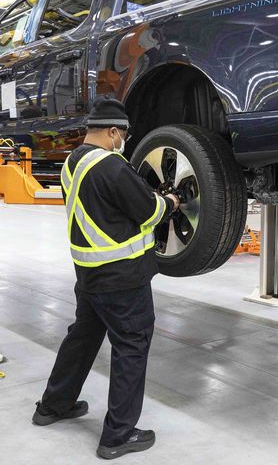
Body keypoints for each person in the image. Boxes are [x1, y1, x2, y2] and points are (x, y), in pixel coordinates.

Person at [32, 97, 180, 460]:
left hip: (89, 275)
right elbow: (149, 212)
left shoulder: (72, 163)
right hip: (123, 277)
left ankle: (53, 405)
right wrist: (172, 202)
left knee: (82, 338)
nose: (123, 141)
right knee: (131, 345)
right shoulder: (113, 167)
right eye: (123, 135)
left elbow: (106, 208)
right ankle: (118, 435)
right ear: (113, 131)